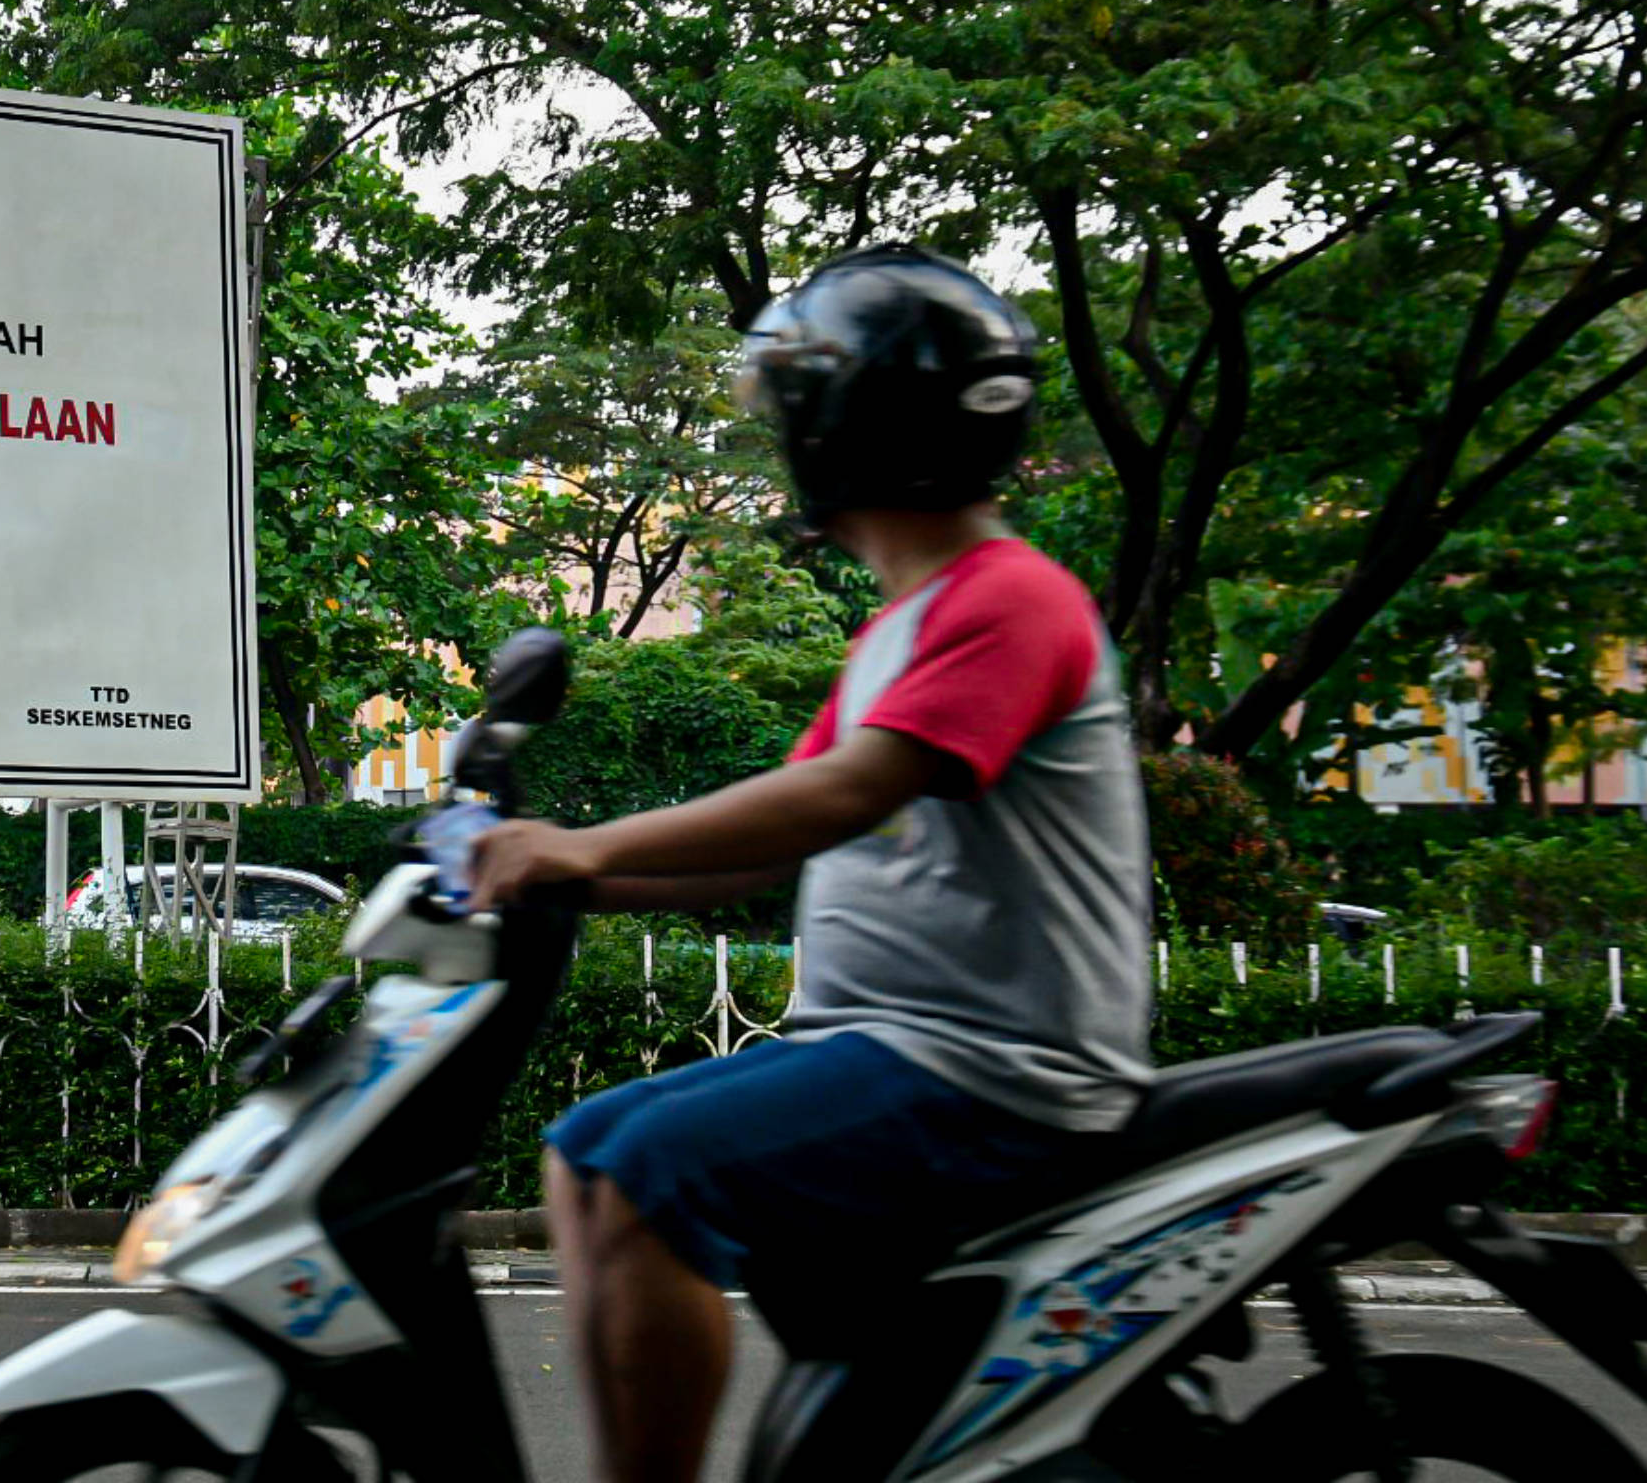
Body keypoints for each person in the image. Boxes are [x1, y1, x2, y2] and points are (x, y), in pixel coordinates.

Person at [465, 244, 1153, 1483]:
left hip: (994, 1068)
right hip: (892, 1052)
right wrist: (560, 873)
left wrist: (580, 841)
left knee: (639, 1173)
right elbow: (760, 845)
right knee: (583, 1150)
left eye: (795, 410)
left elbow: (843, 792)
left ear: (858, 425)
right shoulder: (903, 630)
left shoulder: (1013, 598)